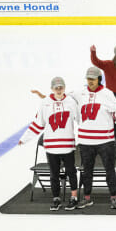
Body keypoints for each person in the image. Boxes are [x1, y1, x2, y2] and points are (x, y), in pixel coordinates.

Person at [19, 76, 80, 211]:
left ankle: (74, 198)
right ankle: (56, 199)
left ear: (64, 88)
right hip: (51, 146)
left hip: (67, 145)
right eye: (56, 87)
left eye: (61, 87)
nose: (59, 90)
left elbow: (81, 120)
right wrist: (25, 138)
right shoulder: (45, 102)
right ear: (52, 89)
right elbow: (38, 123)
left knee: (71, 172)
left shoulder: (71, 102)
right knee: (54, 173)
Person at [73, 66, 116, 210]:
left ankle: (114, 197)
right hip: (85, 140)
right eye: (88, 79)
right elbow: (62, 97)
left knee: (109, 170)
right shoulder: (79, 93)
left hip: (105, 140)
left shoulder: (107, 94)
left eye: (93, 79)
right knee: (86, 171)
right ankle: (86, 197)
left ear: (99, 79)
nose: (90, 82)